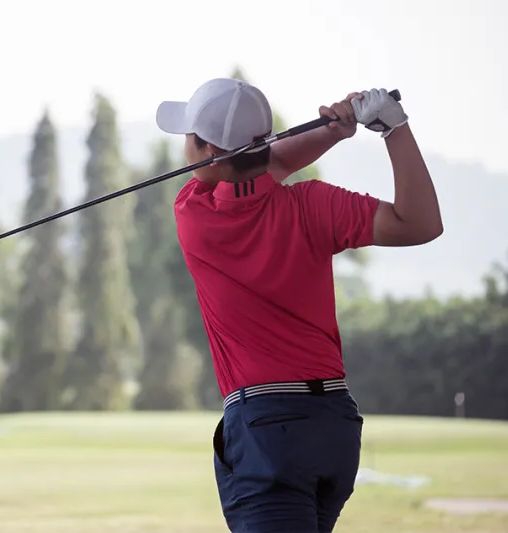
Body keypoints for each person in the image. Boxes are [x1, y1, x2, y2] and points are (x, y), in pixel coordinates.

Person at [154, 79, 443, 532]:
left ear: (210, 152)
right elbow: (420, 222)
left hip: (269, 433)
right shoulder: (314, 204)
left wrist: (333, 131)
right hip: (335, 424)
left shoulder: (195, 214)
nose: (185, 151)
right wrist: (393, 128)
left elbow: (269, 163)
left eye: (190, 139)